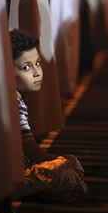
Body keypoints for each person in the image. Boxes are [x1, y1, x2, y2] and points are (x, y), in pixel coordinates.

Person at [10, 28, 88, 202]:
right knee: (67, 166)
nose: (37, 72)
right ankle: (51, 192)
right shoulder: (13, 106)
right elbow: (33, 153)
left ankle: (56, 191)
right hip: (5, 180)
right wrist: (63, 162)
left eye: (37, 63)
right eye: (26, 67)